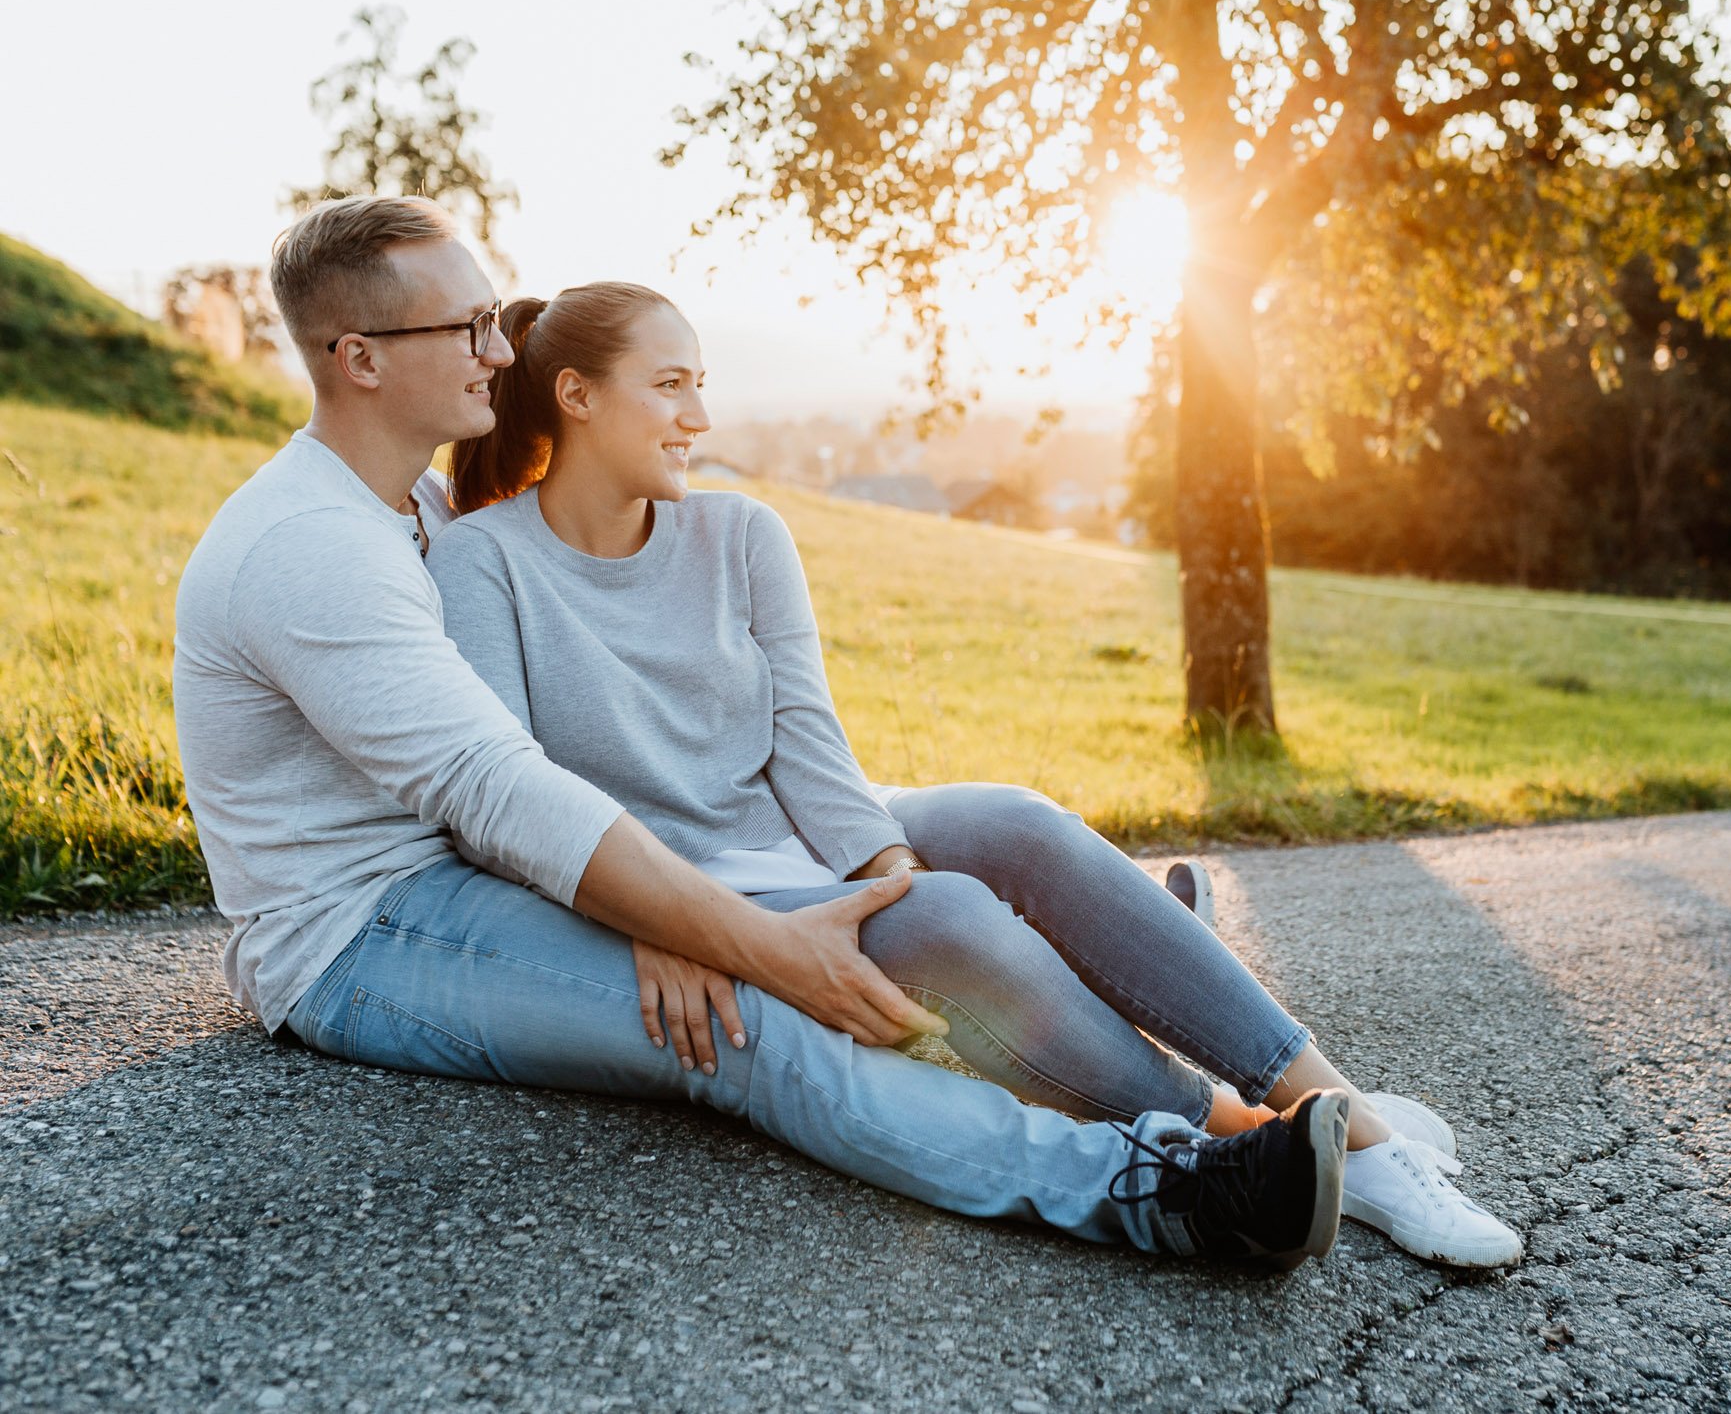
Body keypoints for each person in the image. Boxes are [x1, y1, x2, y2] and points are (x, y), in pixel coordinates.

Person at [171, 194, 1356, 1270]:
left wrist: (683, 909)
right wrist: (730, 939)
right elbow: (494, 787)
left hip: (489, 864)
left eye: (495, 319)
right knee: (742, 1027)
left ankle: (1099, 990)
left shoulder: (415, 504)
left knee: (987, 836)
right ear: (361, 358)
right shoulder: (313, 549)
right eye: (468, 327)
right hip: (367, 930)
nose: (498, 349)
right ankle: (1164, 1189)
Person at [424, 280, 1522, 1268]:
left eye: (701, 384)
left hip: (797, 829)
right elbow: (516, 799)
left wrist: (885, 866)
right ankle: (1249, 1133)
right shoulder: (484, 562)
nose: (700, 417)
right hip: (694, 885)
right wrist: (664, 919)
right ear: (576, 395)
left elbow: (808, 739)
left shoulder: (742, 534)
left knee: (1017, 824)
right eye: (670, 386)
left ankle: (1352, 1125)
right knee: (949, 919)